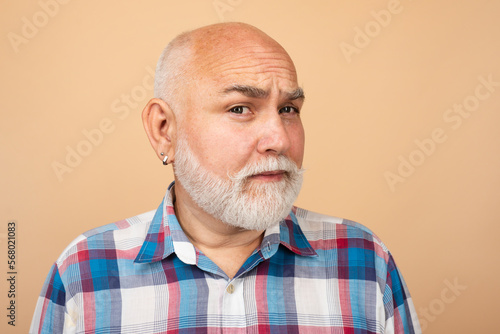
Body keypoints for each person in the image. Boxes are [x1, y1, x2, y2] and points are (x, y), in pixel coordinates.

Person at [30, 22, 421, 333]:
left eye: (289, 109)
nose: (279, 140)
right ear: (164, 128)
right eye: (240, 108)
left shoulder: (366, 262)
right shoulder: (84, 271)